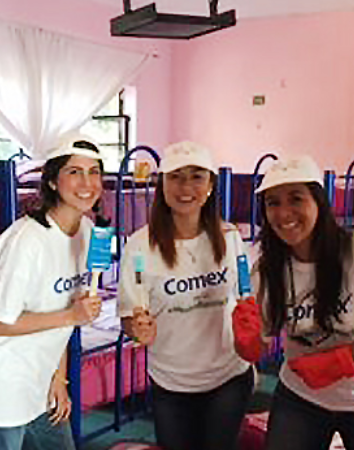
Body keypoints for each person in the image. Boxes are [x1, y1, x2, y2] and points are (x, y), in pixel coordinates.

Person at [232, 156, 354, 450]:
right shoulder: (267, 270)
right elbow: (259, 346)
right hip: (301, 398)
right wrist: (246, 342)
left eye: (296, 199)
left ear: (319, 201)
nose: (284, 213)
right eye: (273, 203)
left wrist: (339, 361)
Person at [0, 136, 105, 450]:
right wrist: (72, 315)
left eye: (95, 172)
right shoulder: (26, 240)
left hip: (41, 380)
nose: (87, 182)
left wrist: (59, 377)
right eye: (74, 172)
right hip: (1, 383)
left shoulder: (87, 233)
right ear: (51, 181)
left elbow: (61, 319)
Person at [118, 141, 254, 450]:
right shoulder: (140, 246)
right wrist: (136, 328)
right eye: (176, 176)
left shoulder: (230, 237)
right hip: (171, 381)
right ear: (162, 183)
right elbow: (129, 314)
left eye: (196, 176)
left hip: (228, 376)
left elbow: (247, 298)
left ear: (210, 185)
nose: (185, 187)